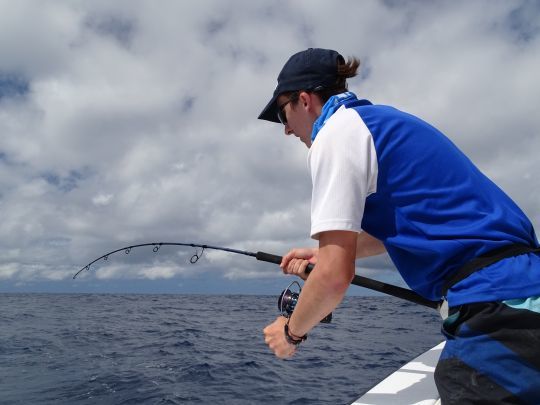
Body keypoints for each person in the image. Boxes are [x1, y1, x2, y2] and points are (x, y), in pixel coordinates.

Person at [259, 48, 540, 404]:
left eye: (283, 113)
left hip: (498, 306)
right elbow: (403, 225)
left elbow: (333, 278)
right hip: (523, 290)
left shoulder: (335, 133)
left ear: (304, 100)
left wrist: (290, 332)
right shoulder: (379, 122)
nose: (285, 129)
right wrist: (323, 252)